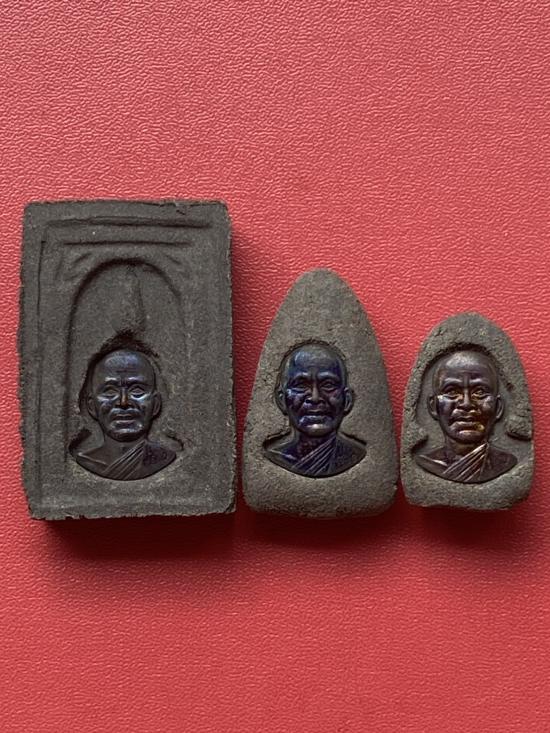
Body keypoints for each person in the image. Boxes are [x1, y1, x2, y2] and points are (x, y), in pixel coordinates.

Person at [264, 342, 365, 477]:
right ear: (282, 400)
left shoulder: (353, 455)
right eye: (301, 385)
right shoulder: (277, 456)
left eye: (328, 385)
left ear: (347, 400)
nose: (315, 398)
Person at [415, 349, 516, 483]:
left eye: (480, 392)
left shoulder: (505, 462)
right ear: (433, 406)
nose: (467, 404)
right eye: (452, 392)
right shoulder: (426, 463)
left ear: (498, 407)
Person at [75, 349, 176, 480]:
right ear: (91, 406)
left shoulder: (162, 458)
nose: (123, 402)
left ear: (156, 404)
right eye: (110, 391)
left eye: (137, 391)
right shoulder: (87, 460)